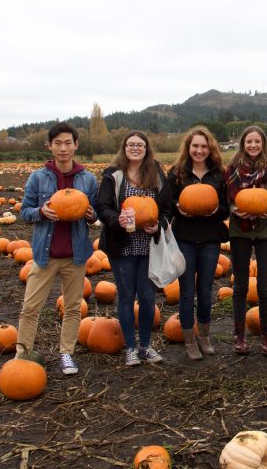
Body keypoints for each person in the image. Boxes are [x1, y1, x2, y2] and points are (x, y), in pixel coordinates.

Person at [15, 122, 98, 375]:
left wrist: (91, 215)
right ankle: (22, 355)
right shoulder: (38, 177)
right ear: (50, 146)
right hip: (45, 255)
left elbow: (93, 215)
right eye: (58, 143)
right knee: (30, 307)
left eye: (68, 143)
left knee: (73, 308)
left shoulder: (88, 179)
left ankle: (66, 354)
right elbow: (24, 212)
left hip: (76, 255)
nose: (63, 148)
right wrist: (41, 212)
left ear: (76, 145)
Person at [96, 132, 172, 366]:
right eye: (131, 145)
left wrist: (158, 226)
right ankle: (130, 347)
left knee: (148, 298)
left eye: (140, 145)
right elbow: (102, 206)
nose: (135, 148)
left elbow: (168, 207)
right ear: (124, 148)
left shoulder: (157, 174)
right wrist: (116, 219)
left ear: (147, 148)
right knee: (126, 296)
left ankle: (146, 346)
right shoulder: (113, 175)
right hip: (123, 246)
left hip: (149, 247)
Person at [167, 126, 229, 360]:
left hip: (211, 239)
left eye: (204, 146)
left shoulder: (218, 174)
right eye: (195, 146)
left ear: (210, 148)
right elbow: (168, 202)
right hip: (184, 238)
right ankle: (189, 339)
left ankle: (204, 335)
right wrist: (180, 209)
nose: (199, 150)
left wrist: (214, 211)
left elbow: (225, 207)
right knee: (186, 291)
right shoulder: (176, 173)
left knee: (205, 290)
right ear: (188, 148)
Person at [225, 126, 267, 356]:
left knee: (265, 287)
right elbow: (227, 198)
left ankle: (266, 334)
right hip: (240, 231)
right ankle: (239, 335)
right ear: (243, 144)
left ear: (263, 143)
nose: (253, 145)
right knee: (240, 286)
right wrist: (234, 210)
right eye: (249, 141)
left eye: (257, 141)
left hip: (266, 231)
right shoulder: (231, 169)